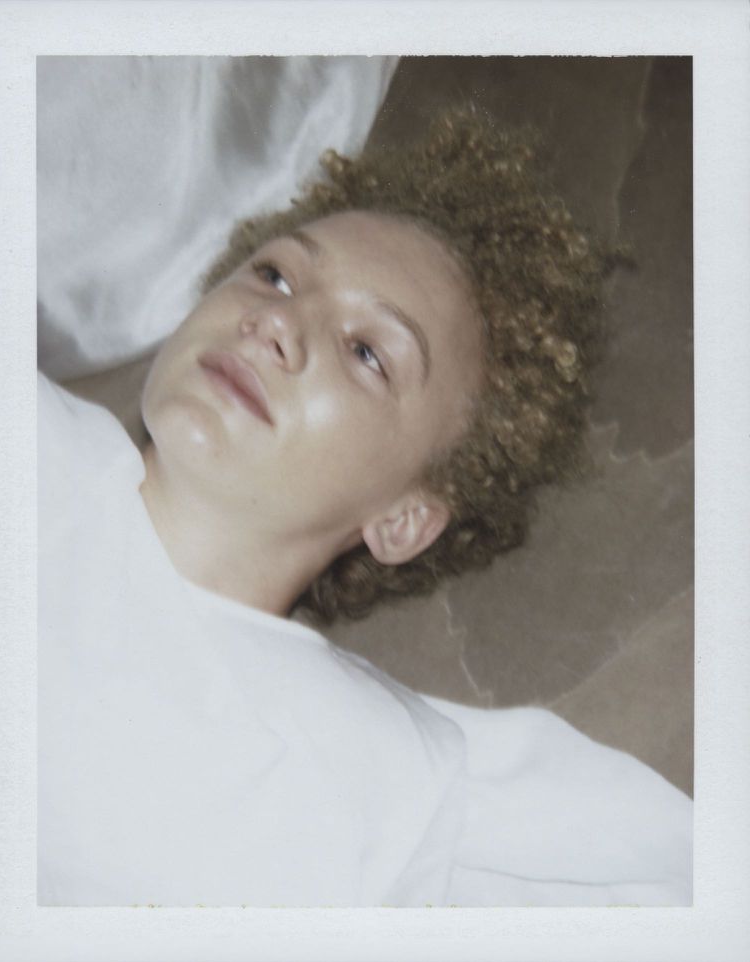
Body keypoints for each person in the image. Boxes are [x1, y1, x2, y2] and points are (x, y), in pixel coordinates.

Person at [38, 107, 692, 907]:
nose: (276, 322)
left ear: (404, 520)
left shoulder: (385, 777)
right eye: (275, 275)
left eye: (367, 353)